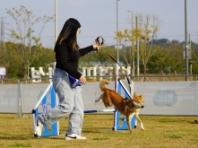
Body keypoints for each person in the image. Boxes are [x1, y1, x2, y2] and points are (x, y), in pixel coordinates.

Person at [35, 18, 101, 140]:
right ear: (72, 30)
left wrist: (92, 47)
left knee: (78, 108)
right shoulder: (61, 44)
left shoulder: (72, 44)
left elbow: (77, 54)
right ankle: (41, 120)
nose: (79, 33)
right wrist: (79, 75)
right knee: (67, 106)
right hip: (62, 77)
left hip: (72, 78)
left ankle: (73, 133)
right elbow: (63, 64)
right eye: (78, 31)